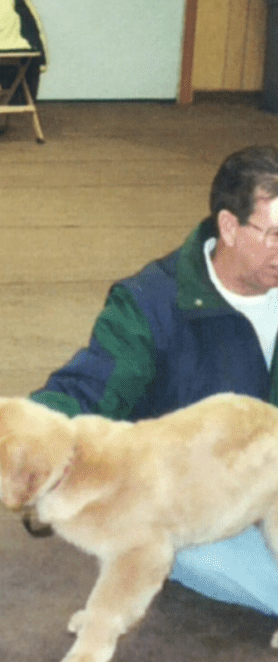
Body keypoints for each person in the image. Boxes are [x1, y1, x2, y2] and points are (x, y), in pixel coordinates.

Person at [31, 144, 278, 617]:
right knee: (180, 540)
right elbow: (88, 391)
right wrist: (26, 440)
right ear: (228, 226)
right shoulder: (150, 304)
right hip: (195, 508)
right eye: (275, 234)